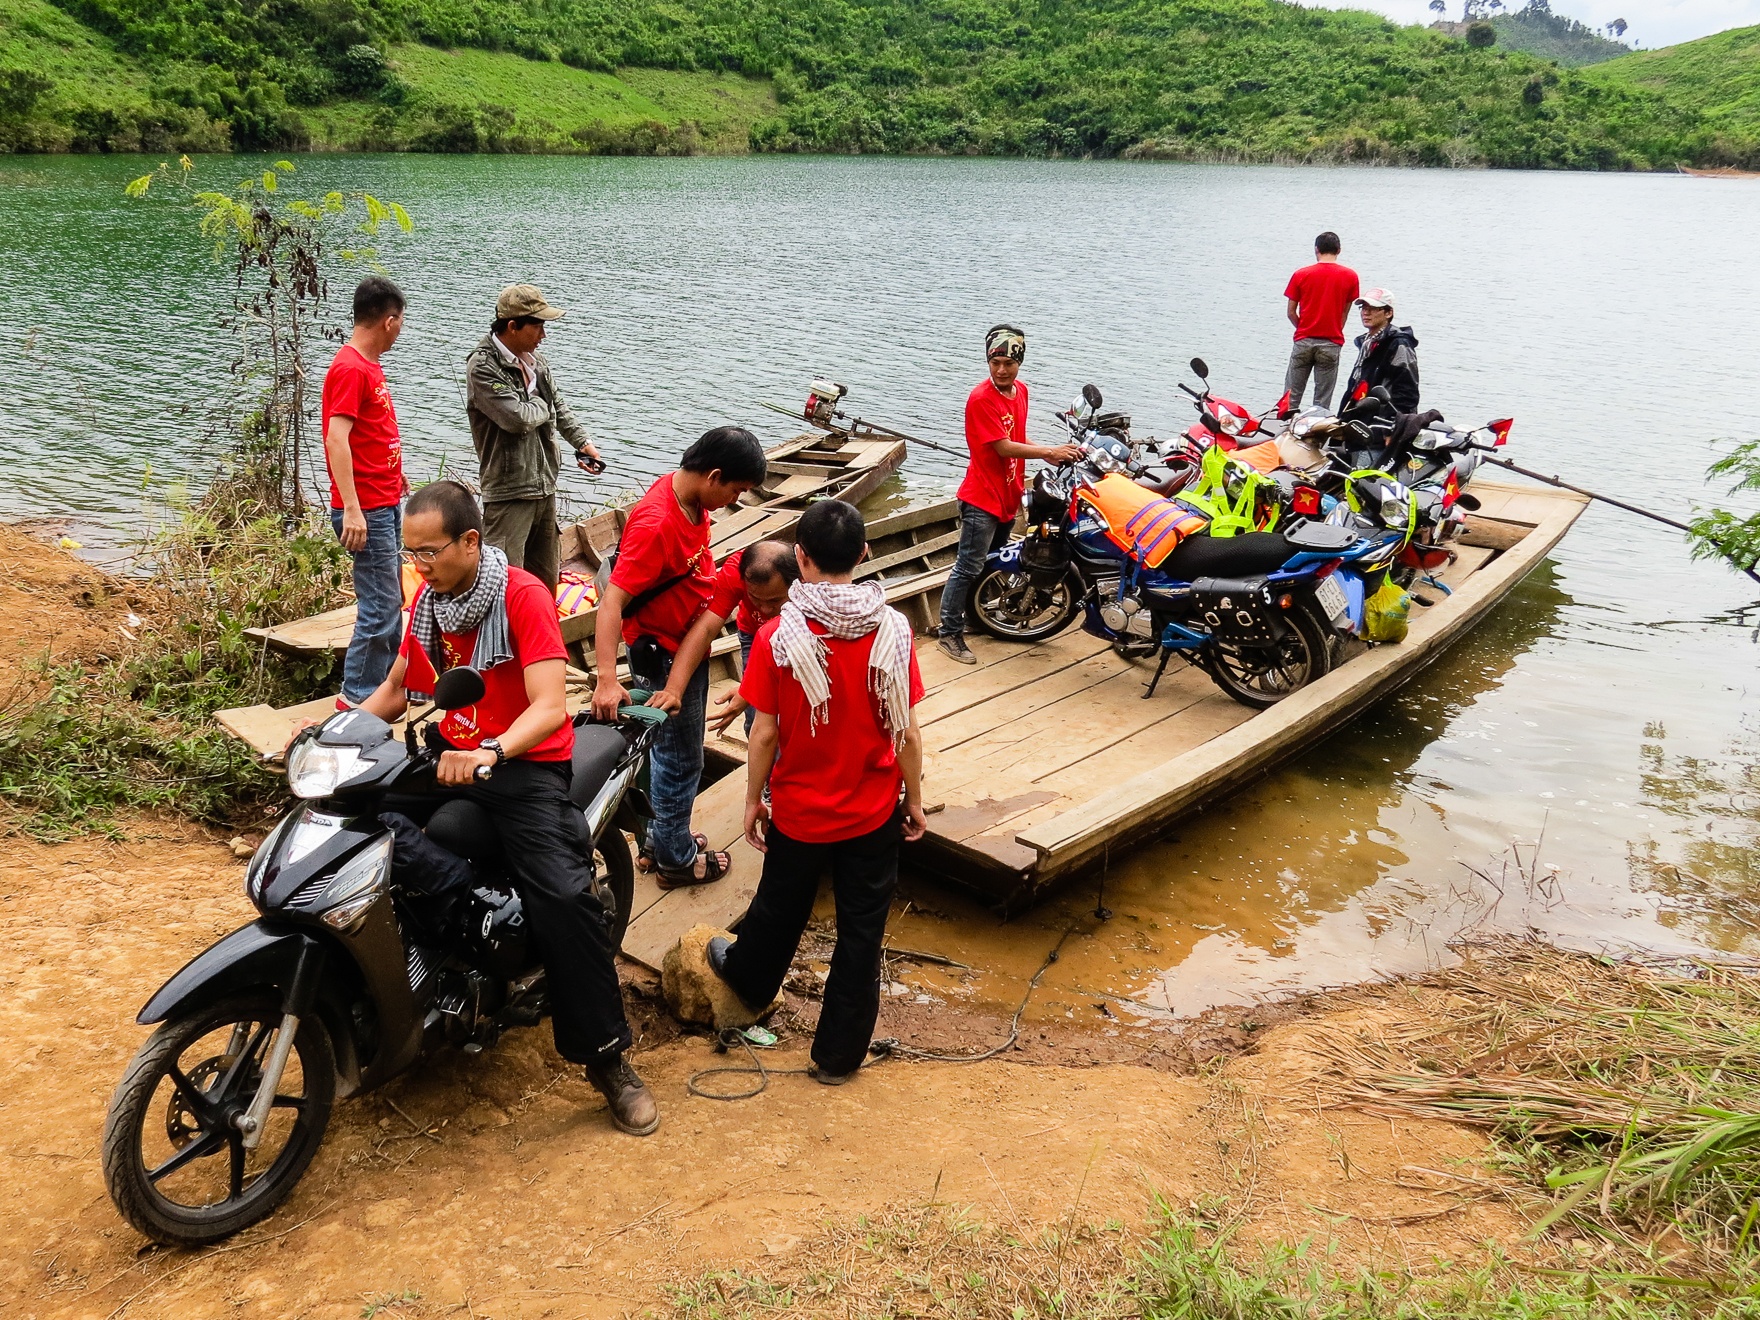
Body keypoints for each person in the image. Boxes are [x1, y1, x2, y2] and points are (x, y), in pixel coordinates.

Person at [355, 480, 658, 1136]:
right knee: (355, 812)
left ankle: (608, 1058)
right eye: (410, 553)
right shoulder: (431, 602)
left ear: (470, 542)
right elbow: (396, 690)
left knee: (565, 898)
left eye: (428, 551)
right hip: (454, 754)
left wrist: (491, 750)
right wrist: (331, 733)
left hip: (523, 764)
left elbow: (548, 706)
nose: (418, 565)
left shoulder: (521, 595)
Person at [705, 499, 928, 1084]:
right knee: (862, 930)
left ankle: (750, 979)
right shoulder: (894, 629)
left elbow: (765, 733)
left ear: (799, 558)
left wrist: (753, 800)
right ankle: (837, 1057)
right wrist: (913, 798)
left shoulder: (779, 636)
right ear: (863, 553)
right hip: (872, 809)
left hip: (801, 809)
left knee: (779, 906)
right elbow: (906, 730)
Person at [590, 427, 767, 887]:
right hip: (664, 653)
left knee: (666, 750)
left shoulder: (689, 498)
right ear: (713, 475)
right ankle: (676, 860)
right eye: (735, 490)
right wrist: (606, 678)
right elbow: (611, 602)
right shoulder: (657, 524)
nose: (734, 500)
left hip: (682, 642)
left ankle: (660, 838)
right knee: (681, 759)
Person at [937, 324, 1082, 665]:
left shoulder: (1021, 392)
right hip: (981, 498)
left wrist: (1047, 454)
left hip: (1008, 494)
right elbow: (1003, 447)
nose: (1001, 370)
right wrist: (1049, 450)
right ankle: (948, 632)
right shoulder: (981, 399)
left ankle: (976, 617)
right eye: (995, 363)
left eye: (1008, 363)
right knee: (968, 567)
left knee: (993, 561)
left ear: (1019, 363)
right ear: (988, 362)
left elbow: (1016, 437)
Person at [465, 284, 603, 593]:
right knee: (505, 583)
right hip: (509, 491)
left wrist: (583, 443)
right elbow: (518, 419)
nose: (543, 334)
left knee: (545, 581)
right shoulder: (482, 366)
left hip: (544, 486)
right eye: (538, 325)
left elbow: (559, 407)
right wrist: (542, 403)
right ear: (513, 326)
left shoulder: (536, 361)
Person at [322, 276, 408, 708]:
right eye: (401, 322)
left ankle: (387, 688)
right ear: (389, 321)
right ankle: (355, 697)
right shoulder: (350, 368)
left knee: (393, 599)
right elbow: (336, 439)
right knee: (379, 605)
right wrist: (352, 509)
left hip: (384, 498)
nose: (401, 330)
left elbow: (370, 434)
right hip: (366, 508)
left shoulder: (369, 366)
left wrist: (397, 474)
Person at [660, 539, 800, 742]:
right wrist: (673, 689)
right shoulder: (735, 571)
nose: (765, 609)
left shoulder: (809, 578)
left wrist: (749, 690)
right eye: (755, 598)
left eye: (775, 601)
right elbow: (706, 629)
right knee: (756, 718)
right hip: (754, 636)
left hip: (798, 636)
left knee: (788, 712)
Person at [1281, 231, 1359, 417]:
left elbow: (1291, 312)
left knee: (1290, 398)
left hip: (1304, 340)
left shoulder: (1301, 274)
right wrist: (1333, 330)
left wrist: (1303, 329)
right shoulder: (1351, 276)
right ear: (1339, 250)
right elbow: (1344, 313)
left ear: (1316, 249)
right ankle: (1315, 430)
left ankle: (1283, 427)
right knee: (1322, 403)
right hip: (1331, 342)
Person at [1342, 288, 1421, 415]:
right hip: (1361, 414)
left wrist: (1395, 422)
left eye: (1373, 308)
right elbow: (1356, 384)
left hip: (1383, 418)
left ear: (1388, 313)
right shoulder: (1366, 343)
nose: (1366, 313)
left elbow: (1407, 390)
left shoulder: (1399, 344)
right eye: (1363, 308)